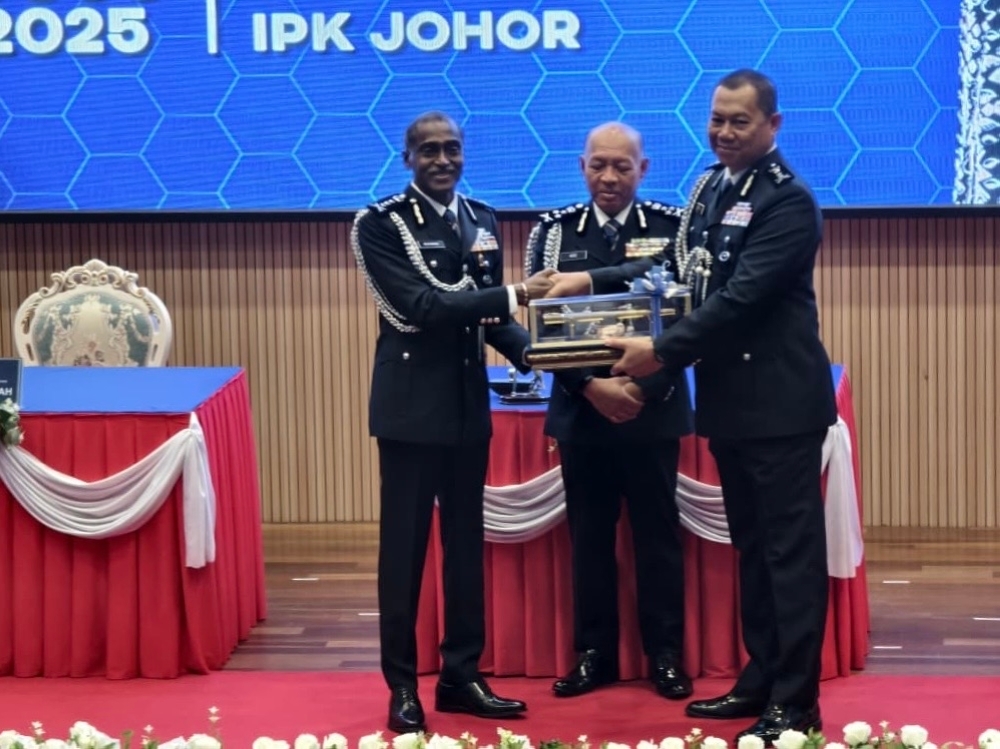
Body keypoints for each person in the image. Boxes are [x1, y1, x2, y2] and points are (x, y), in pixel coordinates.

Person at [550, 70, 836, 742]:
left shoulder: (788, 202)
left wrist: (657, 355)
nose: (724, 132)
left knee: (788, 557)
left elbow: (738, 299)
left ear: (773, 125)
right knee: (753, 549)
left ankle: (796, 703)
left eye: (739, 121)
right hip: (733, 404)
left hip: (782, 404)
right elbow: (677, 273)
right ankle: (762, 677)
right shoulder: (711, 186)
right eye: (717, 119)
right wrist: (592, 277)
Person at [351, 110, 555, 735]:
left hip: (469, 409)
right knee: (405, 553)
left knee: (467, 549)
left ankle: (462, 675)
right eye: (430, 150)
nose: (443, 160)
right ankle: (403, 686)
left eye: (453, 150)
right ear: (407, 156)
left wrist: (551, 356)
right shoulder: (379, 224)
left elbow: (492, 324)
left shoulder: (482, 220)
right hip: (412, 412)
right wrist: (518, 294)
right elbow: (423, 308)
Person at [525, 122, 695, 702]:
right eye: (599, 164)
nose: (609, 177)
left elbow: (687, 317)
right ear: (581, 165)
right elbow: (539, 325)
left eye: (622, 166)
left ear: (643, 170)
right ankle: (593, 654)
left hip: (655, 407)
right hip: (582, 410)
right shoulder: (553, 233)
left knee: (658, 538)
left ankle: (666, 656)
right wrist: (592, 387)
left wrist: (643, 391)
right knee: (590, 540)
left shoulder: (674, 229)